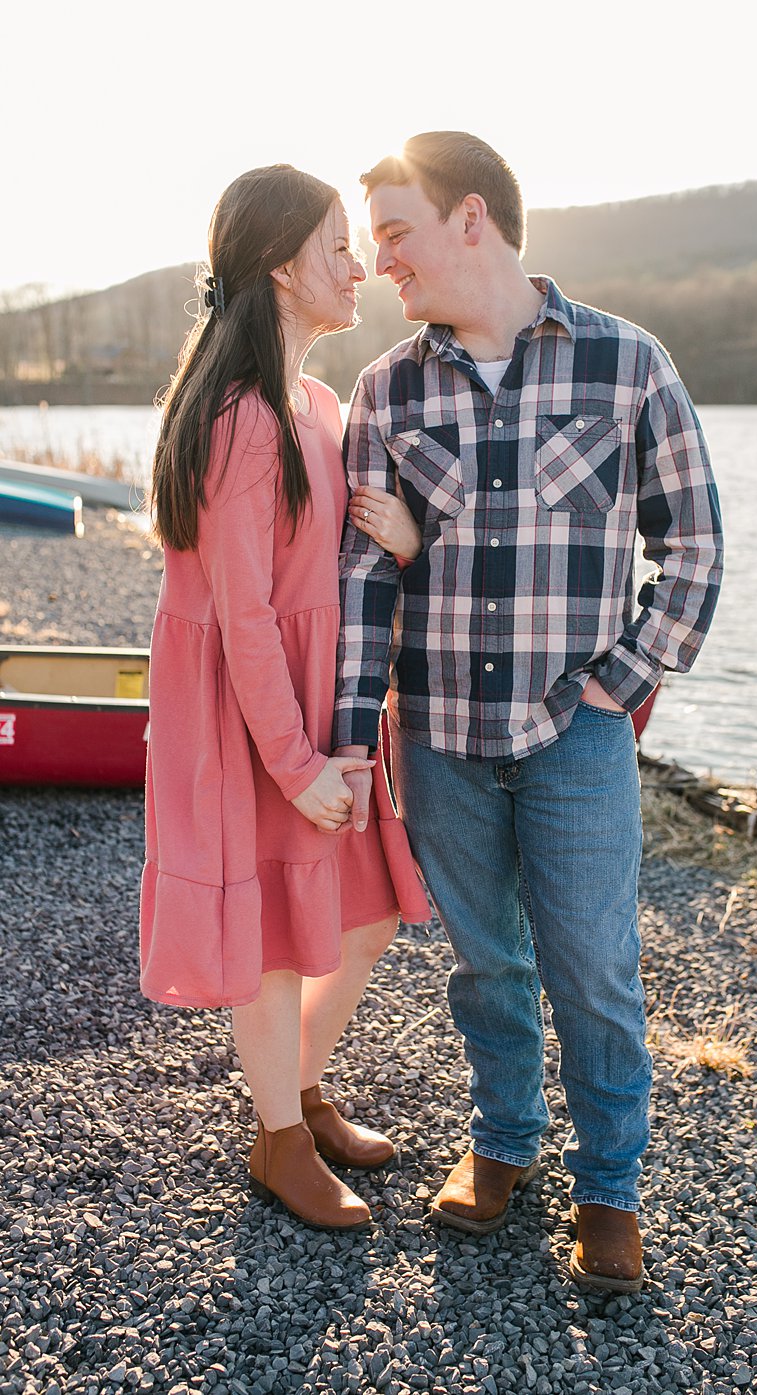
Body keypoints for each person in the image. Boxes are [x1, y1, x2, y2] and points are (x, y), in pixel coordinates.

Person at [335, 132, 724, 1290]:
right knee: (484, 963)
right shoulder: (386, 389)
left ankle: (610, 1183)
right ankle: (503, 1138)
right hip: (440, 731)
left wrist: (625, 679)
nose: (381, 262)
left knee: (594, 965)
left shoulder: (626, 362)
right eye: (372, 244)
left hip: (577, 732)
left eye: (396, 233)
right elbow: (366, 583)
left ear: (471, 219)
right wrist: (356, 737)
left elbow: (694, 548)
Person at [140, 164, 422, 1231]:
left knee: (370, 910)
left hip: (321, 698)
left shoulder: (313, 400)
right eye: (337, 245)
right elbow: (245, 616)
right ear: (277, 267)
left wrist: (409, 537)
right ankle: (278, 1138)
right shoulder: (239, 416)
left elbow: (341, 563)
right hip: (247, 712)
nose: (358, 266)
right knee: (269, 936)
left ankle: (296, 1089)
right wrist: (296, 765)